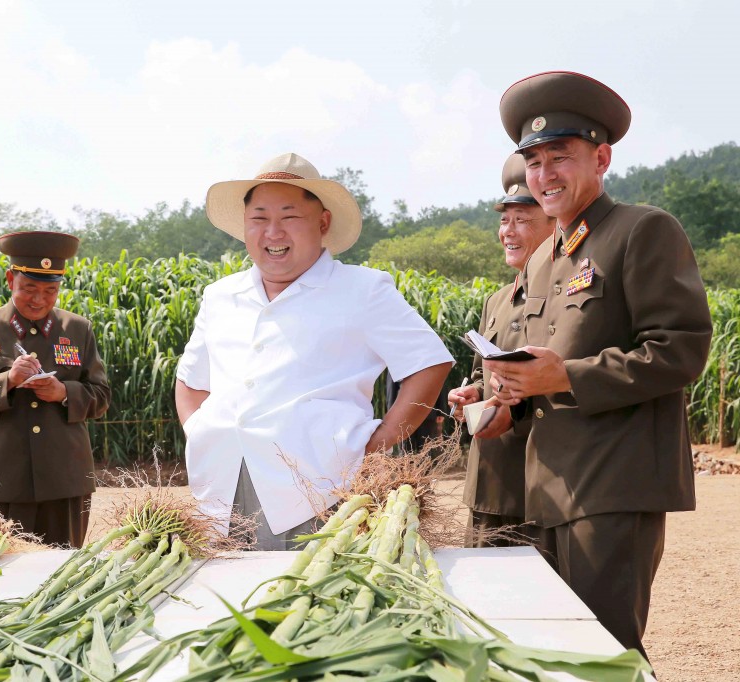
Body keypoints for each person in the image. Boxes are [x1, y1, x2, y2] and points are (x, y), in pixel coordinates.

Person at [485, 71, 712, 658]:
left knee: (605, 654)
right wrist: (504, 391)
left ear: (602, 157)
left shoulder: (641, 230)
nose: (544, 175)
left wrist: (567, 376)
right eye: (533, 162)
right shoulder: (545, 259)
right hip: (548, 488)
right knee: (556, 653)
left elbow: (681, 346)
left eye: (559, 156)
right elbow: (539, 362)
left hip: (613, 485)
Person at [176, 153, 454, 549]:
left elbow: (428, 362)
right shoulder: (221, 295)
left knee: (304, 600)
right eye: (259, 218)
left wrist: (382, 441)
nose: (273, 232)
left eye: (289, 217)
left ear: (322, 223)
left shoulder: (362, 290)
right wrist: (200, 433)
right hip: (220, 488)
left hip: (317, 491)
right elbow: (190, 381)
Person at [447, 154, 555, 547]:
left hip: (537, 488)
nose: (508, 231)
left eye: (522, 219)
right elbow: (483, 375)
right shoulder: (497, 300)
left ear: (555, 225)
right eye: (503, 220)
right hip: (488, 485)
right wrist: (472, 394)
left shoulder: (566, 298)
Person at [0, 231, 111, 547]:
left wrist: (64, 392)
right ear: (11, 279)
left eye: (50, 291)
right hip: (3, 479)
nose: (39, 300)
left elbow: (101, 395)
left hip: (65, 479)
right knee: (3, 572)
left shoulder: (77, 329)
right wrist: (7, 381)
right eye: (29, 289)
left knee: (63, 573)